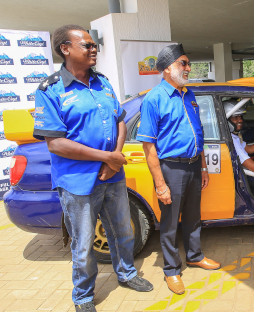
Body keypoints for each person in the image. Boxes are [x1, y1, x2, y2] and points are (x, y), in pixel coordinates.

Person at [32, 24, 153, 312]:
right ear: (65, 49)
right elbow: (56, 144)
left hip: (113, 176)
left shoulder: (103, 82)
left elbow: (120, 121)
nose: (93, 48)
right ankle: (84, 296)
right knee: (84, 244)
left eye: (93, 44)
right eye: (86, 44)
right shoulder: (50, 90)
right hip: (77, 183)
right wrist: (106, 157)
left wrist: (114, 157)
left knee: (123, 231)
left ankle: (126, 274)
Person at [137, 44, 220, 295]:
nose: (187, 68)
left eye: (188, 63)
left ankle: (194, 256)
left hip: (194, 166)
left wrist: (203, 166)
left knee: (194, 217)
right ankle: (172, 270)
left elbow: (199, 133)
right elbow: (148, 146)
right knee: (171, 223)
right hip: (171, 168)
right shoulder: (154, 99)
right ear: (166, 69)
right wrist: (161, 184)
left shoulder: (189, 94)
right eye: (182, 63)